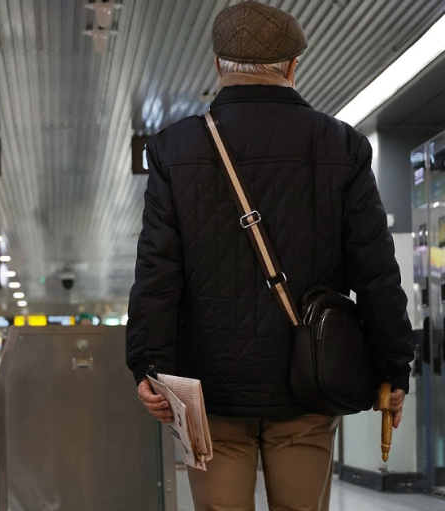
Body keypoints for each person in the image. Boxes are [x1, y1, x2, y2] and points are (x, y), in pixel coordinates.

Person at [126, 2, 414, 510]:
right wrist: (393, 365)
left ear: (218, 65)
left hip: (209, 390)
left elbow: (157, 270)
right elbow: (375, 270)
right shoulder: (341, 145)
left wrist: (150, 366)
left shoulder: (175, 147)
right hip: (310, 381)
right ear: (292, 66)